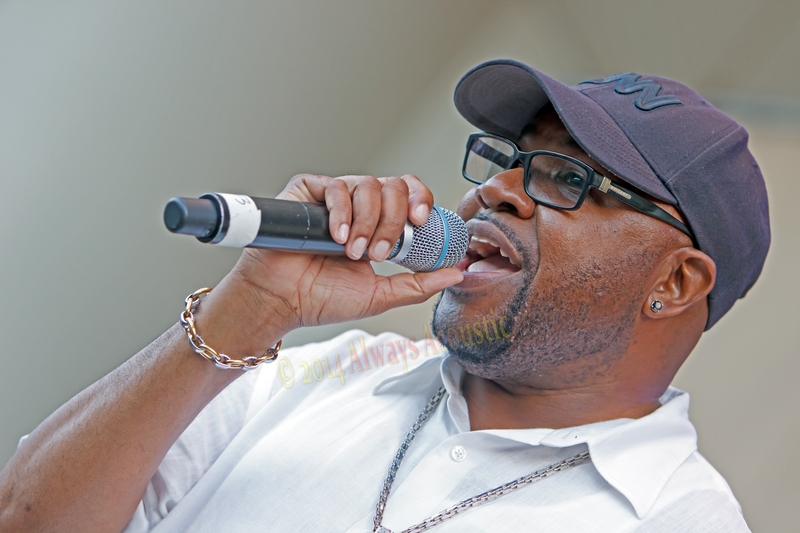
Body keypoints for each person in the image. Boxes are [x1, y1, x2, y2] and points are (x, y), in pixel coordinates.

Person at [0, 59, 769, 533]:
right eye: (507, 159)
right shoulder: (327, 372)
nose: (497, 189)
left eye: (567, 176)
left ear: (675, 282)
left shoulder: (682, 519)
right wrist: (252, 308)